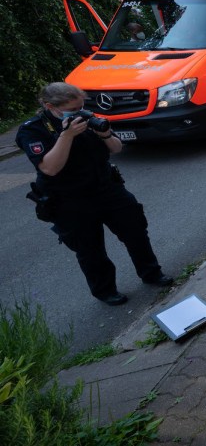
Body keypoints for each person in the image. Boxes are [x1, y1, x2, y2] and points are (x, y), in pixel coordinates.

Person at [15, 82, 172, 306]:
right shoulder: (33, 130)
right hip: (69, 200)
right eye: (72, 109)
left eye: (81, 106)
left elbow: (116, 148)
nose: (78, 112)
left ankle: (151, 273)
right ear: (50, 106)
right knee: (90, 249)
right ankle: (106, 291)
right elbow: (49, 168)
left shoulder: (87, 118)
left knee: (135, 230)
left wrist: (106, 133)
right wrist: (66, 136)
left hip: (107, 188)